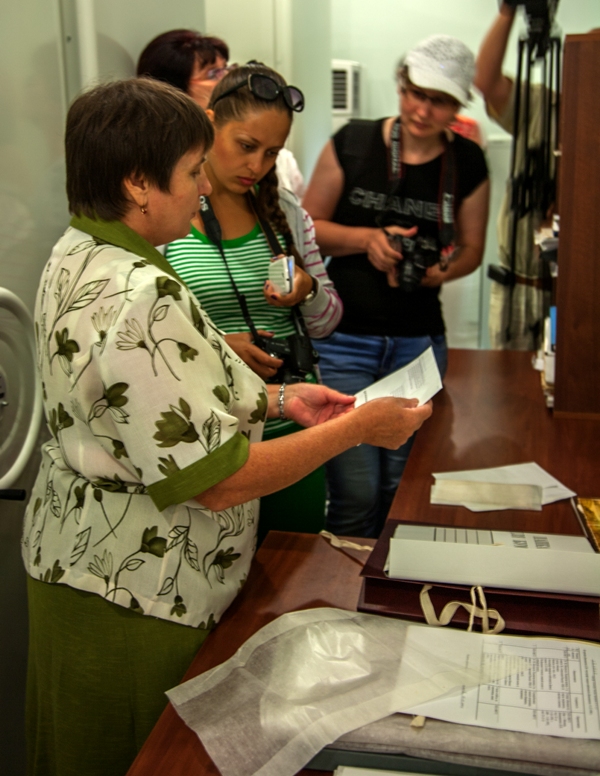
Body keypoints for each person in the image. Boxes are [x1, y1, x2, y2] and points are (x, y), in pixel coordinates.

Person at [22, 77, 432, 776]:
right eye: (192, 172)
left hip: (77, 559)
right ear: (138, 183)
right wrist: (356, 429)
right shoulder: (141, 292)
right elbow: (216, 482)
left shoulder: (79, 252)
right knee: (145, 756)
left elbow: (144, 404)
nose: (206, 187)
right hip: (135, 590)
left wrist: (280, 400)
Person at [303, 35, 489, 538]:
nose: (423, 110)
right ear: (401, 85)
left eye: (440, 101)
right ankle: (341, 582)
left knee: (402, 487)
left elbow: (472, 248)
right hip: (344, 340)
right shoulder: (354, 141)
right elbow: (308, 227)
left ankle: (386, 579)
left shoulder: (467, 161)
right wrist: (368, 240)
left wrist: (440, 271)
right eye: (415, 93)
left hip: (417, 344)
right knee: (355, 489)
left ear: (458, 105)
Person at [165, 62, 342, 543]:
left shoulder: (287, 213)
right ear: (209, 125)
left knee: (294, 563)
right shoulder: (167, 214)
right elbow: (147, 332)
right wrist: (219, 347)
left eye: (272, 153)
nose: (257, 166)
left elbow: (328, 322)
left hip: (296, 426)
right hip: (211, 430)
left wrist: (308, 291)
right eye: (246, 146)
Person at [137, 29, 305, 198]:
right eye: (213, 74)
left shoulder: (282, 163)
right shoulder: (160, 176)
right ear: (174, 93)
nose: (226, 78)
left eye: (226, 68)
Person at [474, 1, 554, 350]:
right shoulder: (543, 105)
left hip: (574, 294)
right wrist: (508, 11)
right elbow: (485, 81)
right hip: (517, 289)